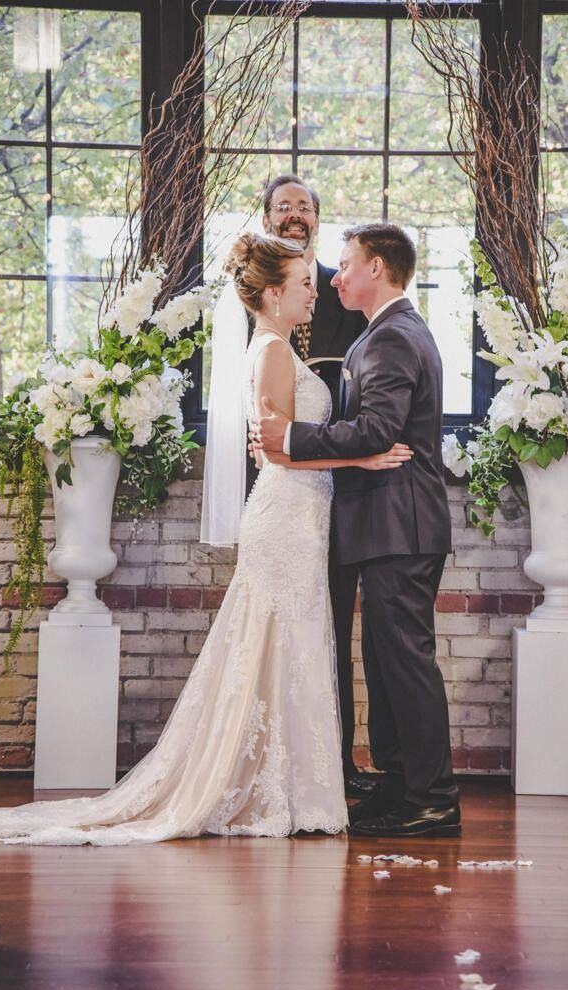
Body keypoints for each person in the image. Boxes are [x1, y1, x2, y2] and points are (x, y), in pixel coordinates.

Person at [0, 234, 410, 847]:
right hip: (287, 516)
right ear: (271, 292)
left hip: (304, 513)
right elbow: (278, 454)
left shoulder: (277, 347)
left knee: (293, 646)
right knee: (283, 642)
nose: (313, 291)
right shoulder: (270, 349)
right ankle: (276, 791)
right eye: (301, 284)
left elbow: (280, 443)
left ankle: (293, 787)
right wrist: (363, 461)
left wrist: (331, 456)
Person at [254, 223, 460, 838]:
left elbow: (377, 431)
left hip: (401, 525)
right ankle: (401, 787)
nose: (335, 277)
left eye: (345, 265)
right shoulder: (388, 333)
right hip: (388, 525)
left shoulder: (393, 337)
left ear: (377, 268)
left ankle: (434, 798)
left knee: (406, 662)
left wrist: (288, 438)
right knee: (388, 661)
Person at [204, 173, 373, 800]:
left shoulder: (335, 290)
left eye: (305, 206)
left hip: (324, 492)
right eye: (283, 206)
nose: (295, 214)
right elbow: (268, 421)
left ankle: (327, 766)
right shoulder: (260, 318)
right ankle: (271, 770)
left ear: (319, 218)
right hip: (289, 490)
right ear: (268, 217)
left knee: (323, 632)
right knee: (285, 632)